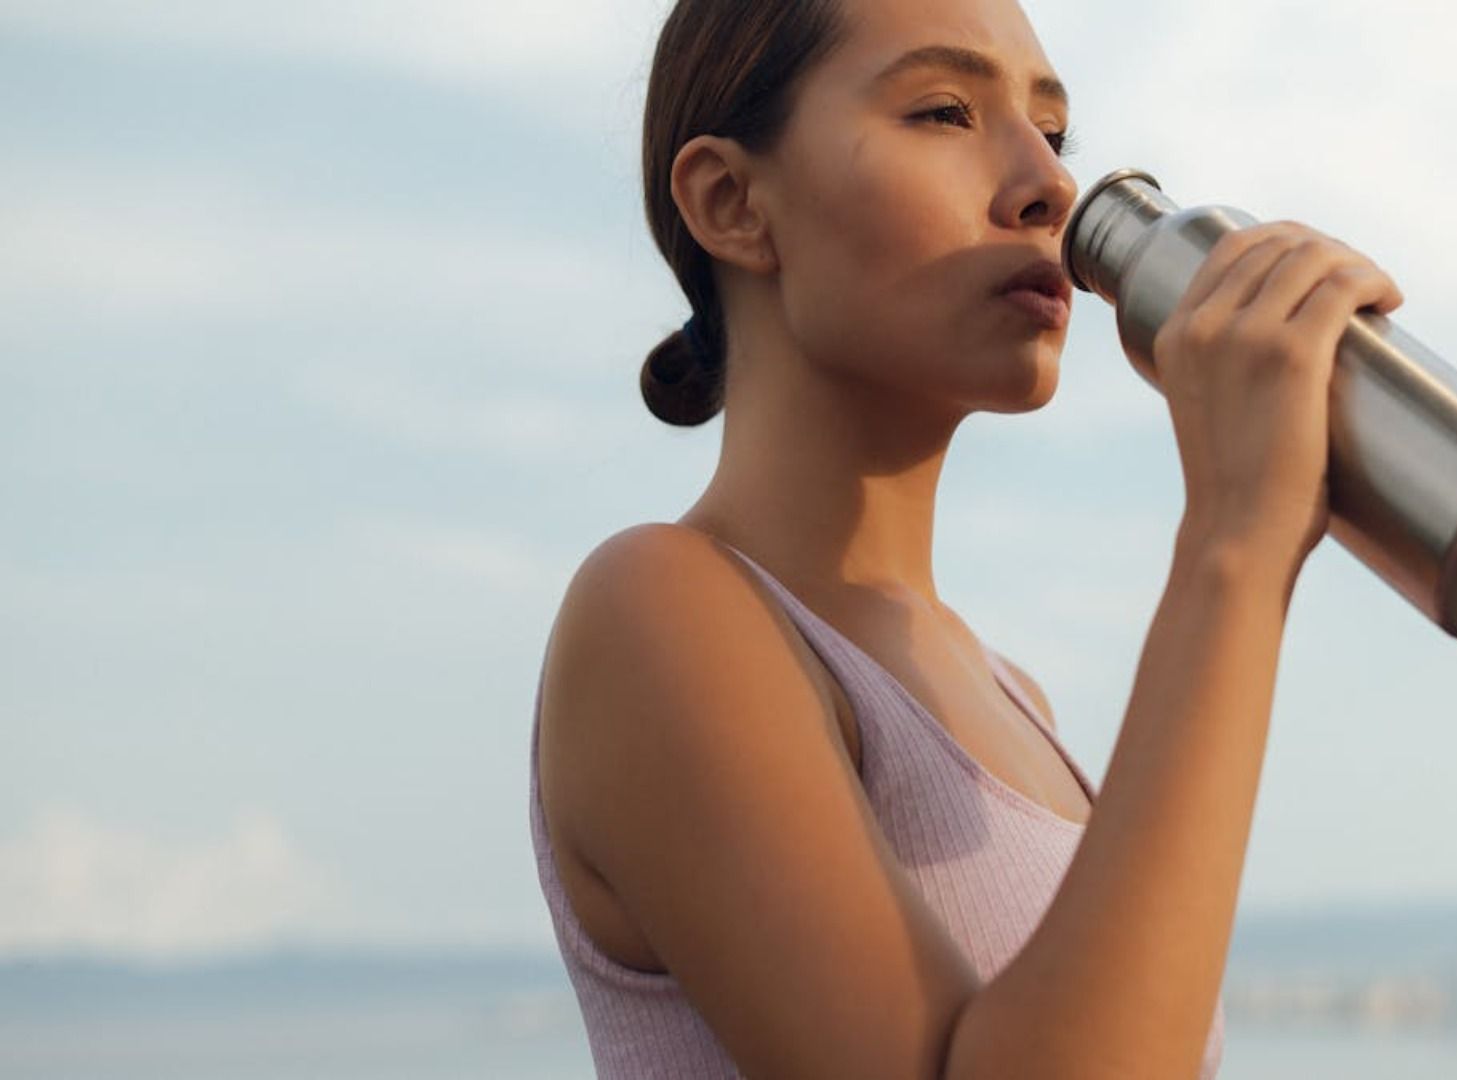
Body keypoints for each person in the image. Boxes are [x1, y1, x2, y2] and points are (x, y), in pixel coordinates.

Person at [528, 0, 1405, 1075]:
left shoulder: (1010, 697)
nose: (1049, 185)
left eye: (1054, 131)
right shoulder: (660, 611)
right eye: (945, 111)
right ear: (733, 203)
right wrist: (1235, 544)